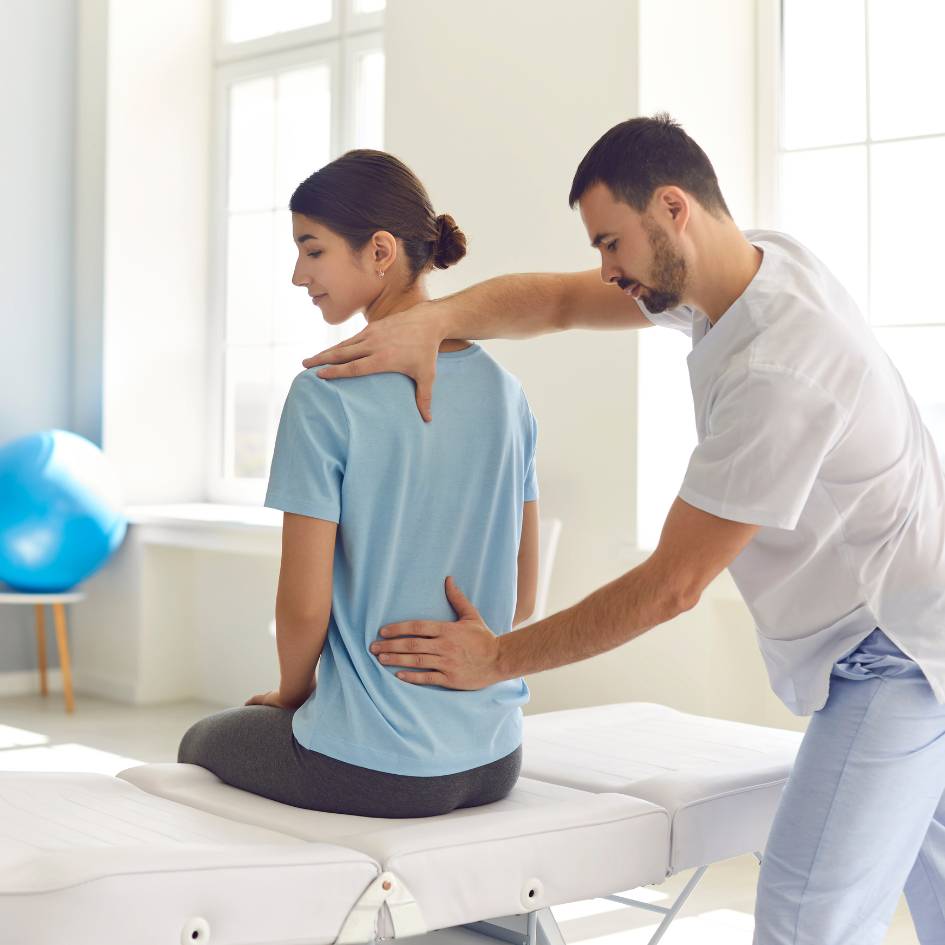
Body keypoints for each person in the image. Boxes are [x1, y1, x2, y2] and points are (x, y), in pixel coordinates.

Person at [305, 115, 945, 944]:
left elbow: (671, 586)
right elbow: (563, 301)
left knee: (805, 917)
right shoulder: (749, 269)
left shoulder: (779, 365)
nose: (605, 269)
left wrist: (496, 657)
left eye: (611, 243)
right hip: (909, 618)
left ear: (673, 209)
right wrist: (433, 321)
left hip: (895, 653)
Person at [178, 149, 540, 818]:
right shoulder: (506, 392)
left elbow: (303, 605)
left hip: (374, 767)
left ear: (378, 251)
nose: (297, 274)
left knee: (201, 740)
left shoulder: (325, 393)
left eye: (311, 250)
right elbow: (523, 592)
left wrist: (290, 695)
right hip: (495, 756)